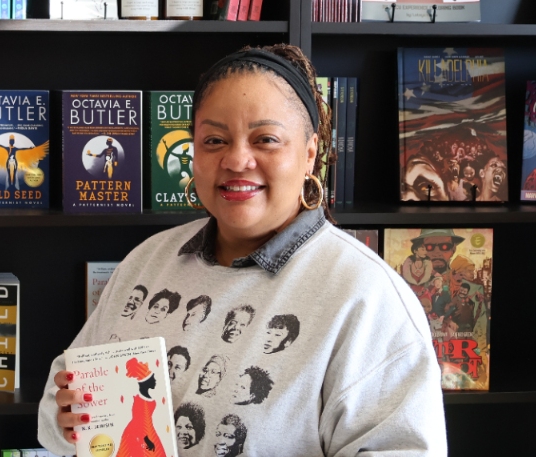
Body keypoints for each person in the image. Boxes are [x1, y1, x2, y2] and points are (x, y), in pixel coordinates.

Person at [38, 44, 446, 456]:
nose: (236, 160)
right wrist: (68, 420)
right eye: (214, 140)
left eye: (265, 139)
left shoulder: (367, 297)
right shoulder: (147, 261)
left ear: (309, 154)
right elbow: (61, 407)